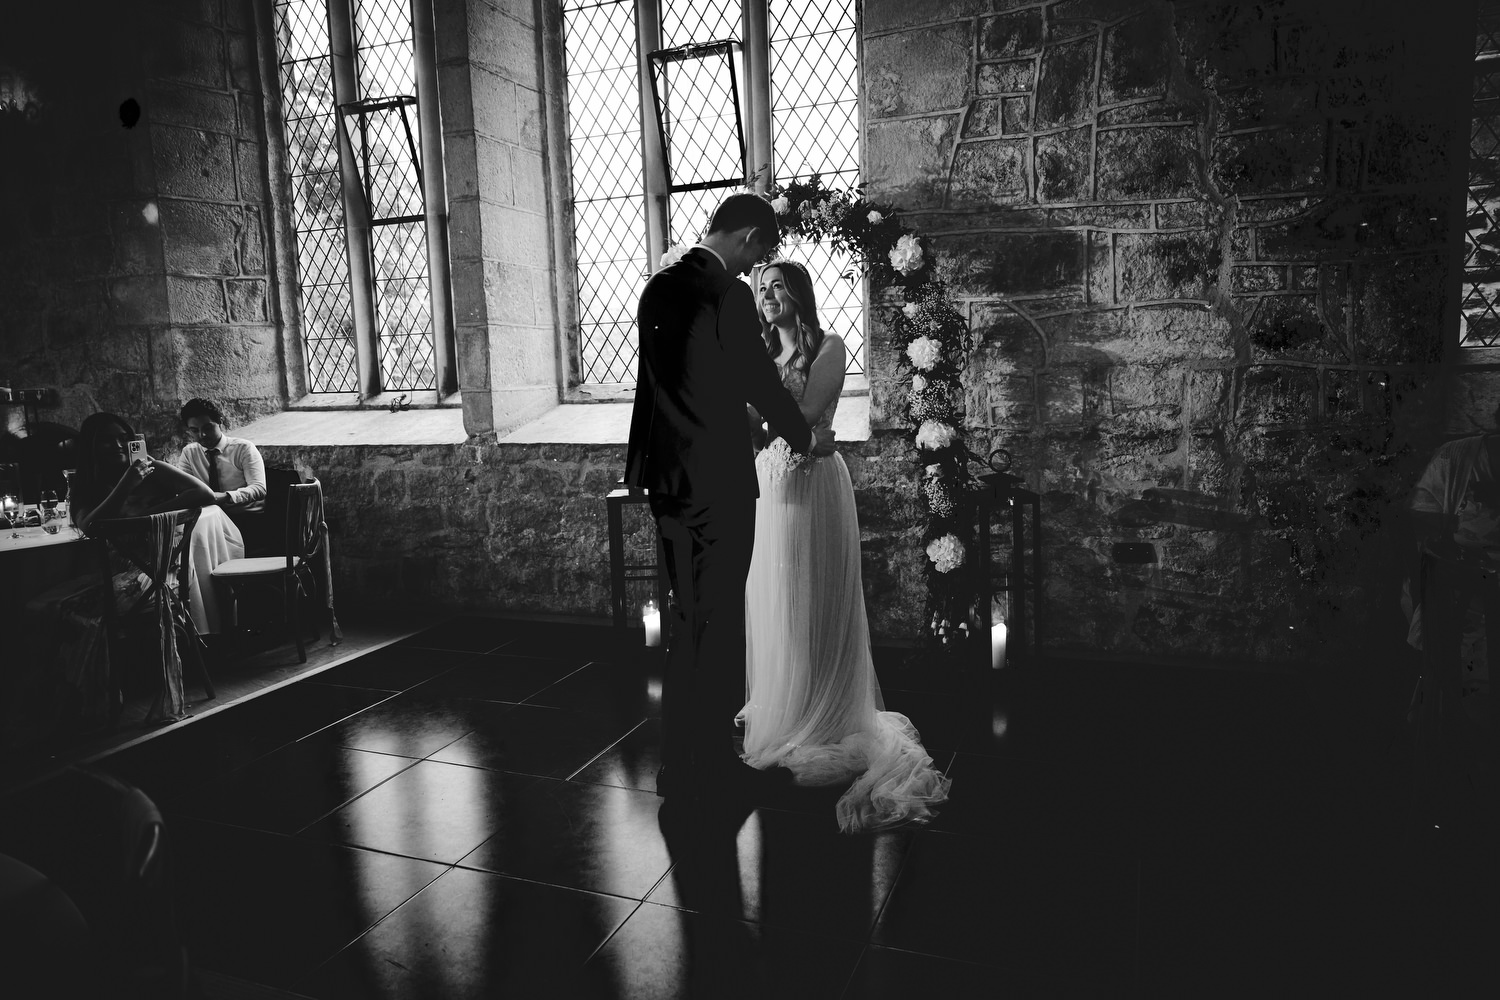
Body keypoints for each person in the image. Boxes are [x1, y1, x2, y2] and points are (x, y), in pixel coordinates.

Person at [626, 192, 829, 803]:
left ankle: (675, 763)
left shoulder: (657, 288)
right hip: (717, 481)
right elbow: (758, 381)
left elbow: (654, 388)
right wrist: (804, 437)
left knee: (686, 617)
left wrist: (644, 467)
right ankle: (713, 761)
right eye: (758, 252)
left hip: (666, 481)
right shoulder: (726, 294)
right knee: (719, 626)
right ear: (746, 236)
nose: (754, 266)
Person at [740, 259, 952, 833]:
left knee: (813, 598)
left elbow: (805, 414)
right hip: (768, 485)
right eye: (761, 289)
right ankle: (789, 704)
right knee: (777, 600)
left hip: (813, 485)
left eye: (778, 287)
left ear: (799, 294)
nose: (767, 296)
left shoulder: (828, 347)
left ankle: (826, 711)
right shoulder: (762, 354)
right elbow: (758, 427)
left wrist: (769, 423)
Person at [74, 412, 243, 637]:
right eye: (106, 440)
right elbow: (89, 527)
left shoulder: (151, 470)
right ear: (91, 446)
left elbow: (204, 493)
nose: (118, 445)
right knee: (58, 604)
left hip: (163, 571)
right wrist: (125, 485)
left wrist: (146, 516)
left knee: (80, 609)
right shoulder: (88, 484)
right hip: (116, 569)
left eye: (123, 438)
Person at [175, 398, 269, 553]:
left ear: (220, 421)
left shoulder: (243, 448)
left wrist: (226, 497)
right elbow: (184, 490)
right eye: (194, 430)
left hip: (246, 519)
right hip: (208, 520)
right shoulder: (189, 453)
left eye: (207, 428)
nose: (202, 435)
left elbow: (259, 489)